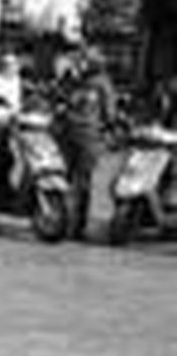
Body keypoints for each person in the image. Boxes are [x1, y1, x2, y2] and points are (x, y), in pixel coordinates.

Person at [55, 46, 118, 240]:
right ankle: (63, 222)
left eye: (86, 60)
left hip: (88, 138)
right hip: (69, 135)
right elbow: (60, 98)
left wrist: (110, 127)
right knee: (65, 180)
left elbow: (109, 113)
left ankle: (77, 227)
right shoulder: (74, 81)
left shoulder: (102, 84)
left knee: (82, 182)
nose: (82, 63)